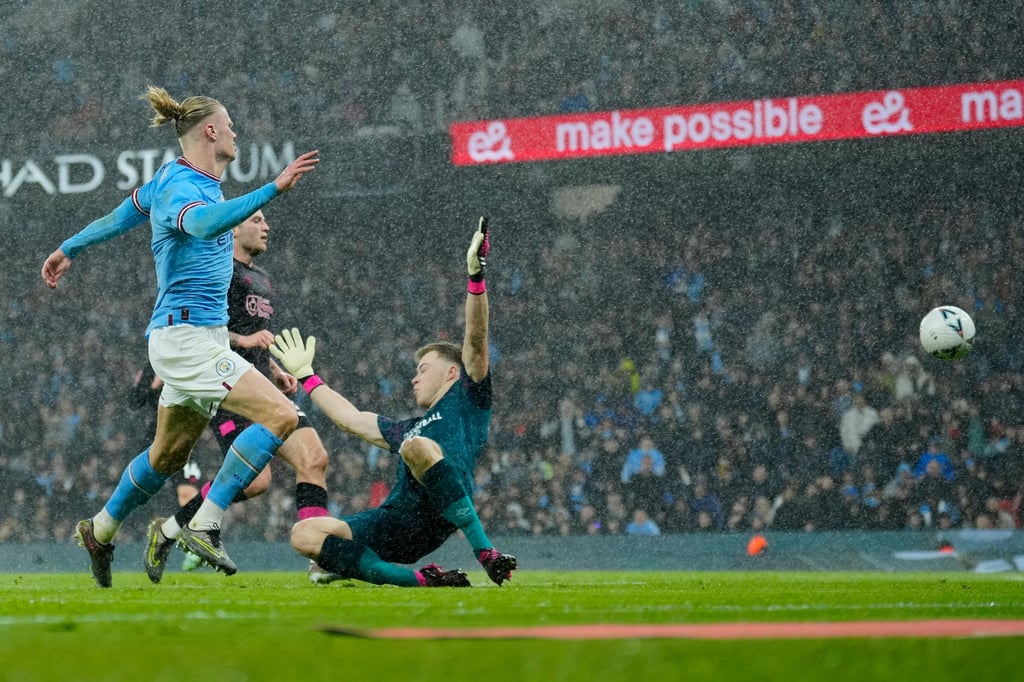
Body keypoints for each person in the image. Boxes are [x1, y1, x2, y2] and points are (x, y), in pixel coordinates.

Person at [40, 85, 319, 587]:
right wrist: (273, 188)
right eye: (229, 125)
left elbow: (120, 216)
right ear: (210, 131)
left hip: (202, 337)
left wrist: (69, 248)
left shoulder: (181, 182)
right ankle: (205, 525)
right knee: (281, 415)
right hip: (184, 338)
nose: (235, 132)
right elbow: (205, 225)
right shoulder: (180, 186)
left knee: (166, 457)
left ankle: (100, 529)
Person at [268, 217, 518, 587]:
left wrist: (475, 276)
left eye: (423, 369)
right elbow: (350, 418)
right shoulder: (408, 428)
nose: (415, 378)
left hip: (434, 517)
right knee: (303, 534)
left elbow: (477, 338)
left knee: (416, 446)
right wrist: (307, 376)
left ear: (452, 372)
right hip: (391, 523)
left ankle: (485, 553)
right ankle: (422, 580)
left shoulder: (468, 400)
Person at [141, 209, 333, 584]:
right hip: (229, 387)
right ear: (233, 229)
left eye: (265, 220)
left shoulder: (262, 279)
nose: (266, 226)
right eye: (257, 220)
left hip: (263, 386)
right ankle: (172, 530)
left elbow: (254, 335)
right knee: (256, 483)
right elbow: (197, 328)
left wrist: (275, 370)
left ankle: (320, 557)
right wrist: (242, 341)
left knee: (315, 458)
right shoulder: (218, 271)